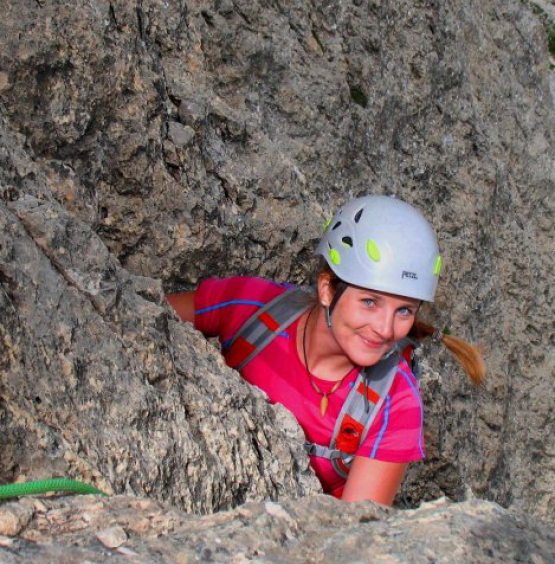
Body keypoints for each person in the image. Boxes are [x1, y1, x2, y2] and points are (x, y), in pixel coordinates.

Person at [165, 195, 484, 505]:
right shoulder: (250, 309)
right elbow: (143, 321)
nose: (386, 329)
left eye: (404, 311)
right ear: (327, 289)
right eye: (369, 302)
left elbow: (353, 532)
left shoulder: (395, 402)